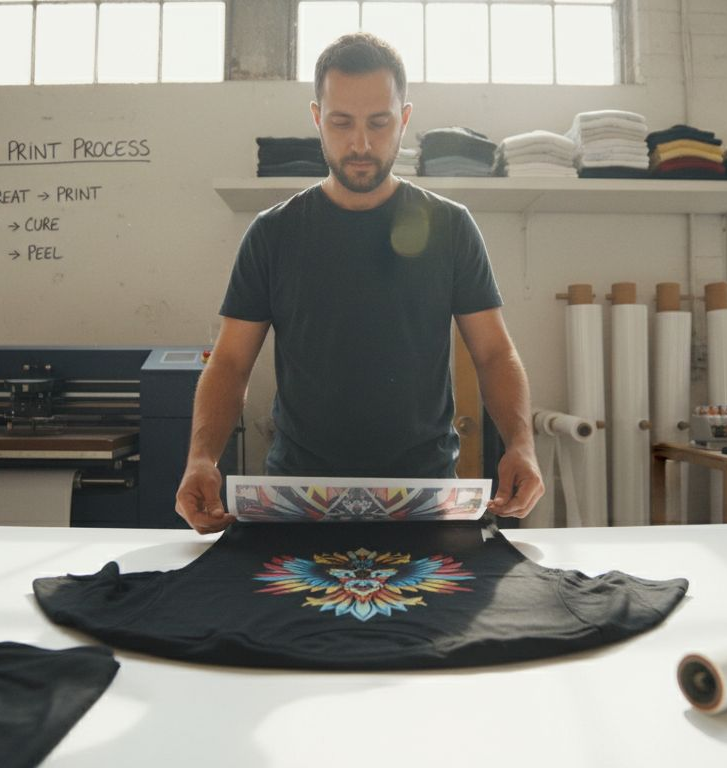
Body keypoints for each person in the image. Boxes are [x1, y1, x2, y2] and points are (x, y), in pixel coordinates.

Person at [175, 32, 543, 534]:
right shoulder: (273, 234)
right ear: (316, 119)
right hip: (297, 498)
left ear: (405, 119)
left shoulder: (451, 228)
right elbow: (232, 361)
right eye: (341, 122)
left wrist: (521, 446)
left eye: (379, 122)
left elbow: (495, 354)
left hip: (424, 497)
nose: (361, 144)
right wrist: (201, 458)